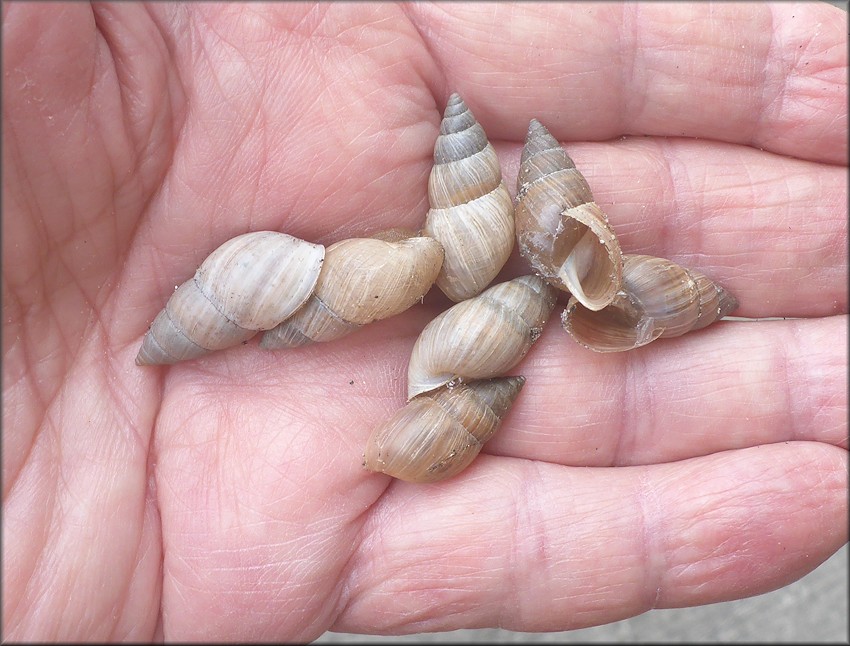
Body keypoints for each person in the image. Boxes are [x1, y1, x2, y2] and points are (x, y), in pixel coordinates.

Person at [3, 2, 846, 642]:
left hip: (446, 289)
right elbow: (419, 278)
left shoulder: (465, 290)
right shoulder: (416, 286)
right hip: (415, 288)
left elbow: (448, 282)